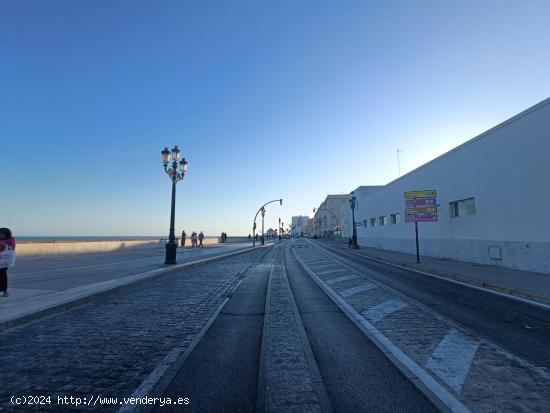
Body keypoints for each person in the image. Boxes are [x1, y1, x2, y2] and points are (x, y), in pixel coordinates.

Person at [0, 228, 16, 297]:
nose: (1, 235)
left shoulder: (11, 239)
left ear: (6, 234)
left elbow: (12, 248)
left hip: (5, 260)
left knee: (2, 274)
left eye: (2, 234)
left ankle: (4, 291)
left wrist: (3, 244)